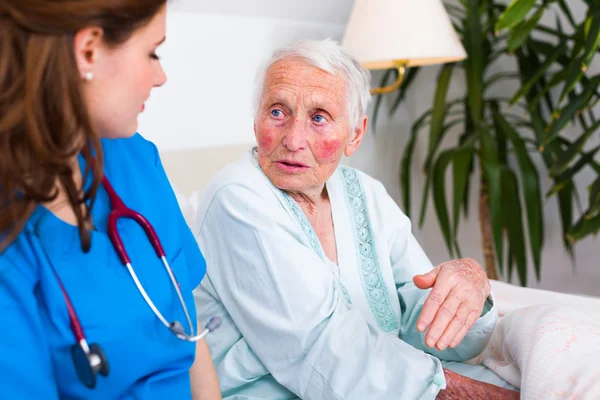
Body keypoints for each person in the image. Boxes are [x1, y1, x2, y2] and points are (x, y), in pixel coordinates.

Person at [192, 39, 519, 399]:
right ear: (255, 122)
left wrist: (468, 288)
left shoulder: (363, 192)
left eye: (318, 118)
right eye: (277, 112)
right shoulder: (237, 196)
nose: (294, 138)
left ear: (355, 134)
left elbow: (420, 322)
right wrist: (463, 392)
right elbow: (323, 349)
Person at [0, 1, 220, 398]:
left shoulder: (137, 158)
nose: (161, 76)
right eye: (152, 52)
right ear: (88, 51)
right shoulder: (11, 235)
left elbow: (190, 333)